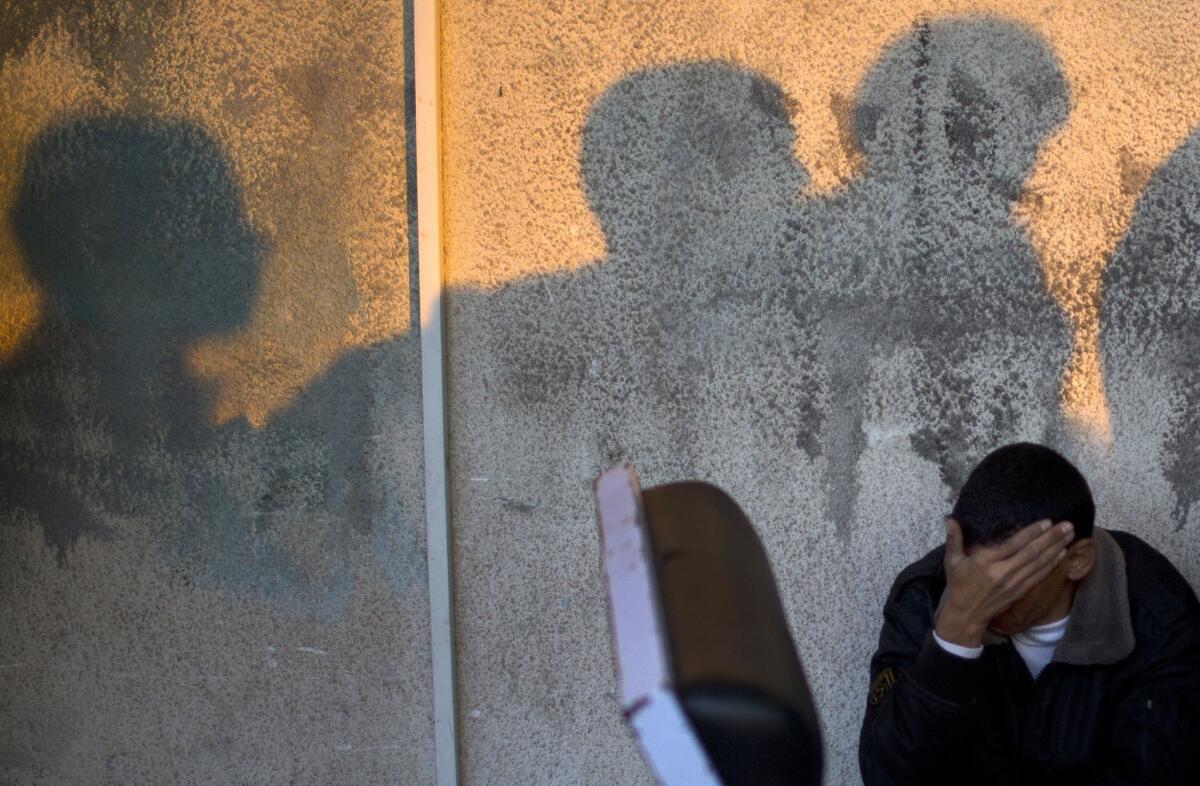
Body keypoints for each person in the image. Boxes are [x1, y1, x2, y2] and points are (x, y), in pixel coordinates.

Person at [859, 442, 1200, 784]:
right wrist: (953, 637)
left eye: (1015, 576)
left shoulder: (1158, 615)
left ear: (1077, 561)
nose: (987, 594)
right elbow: (886, 775)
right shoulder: (924, 596)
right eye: (974, 573)